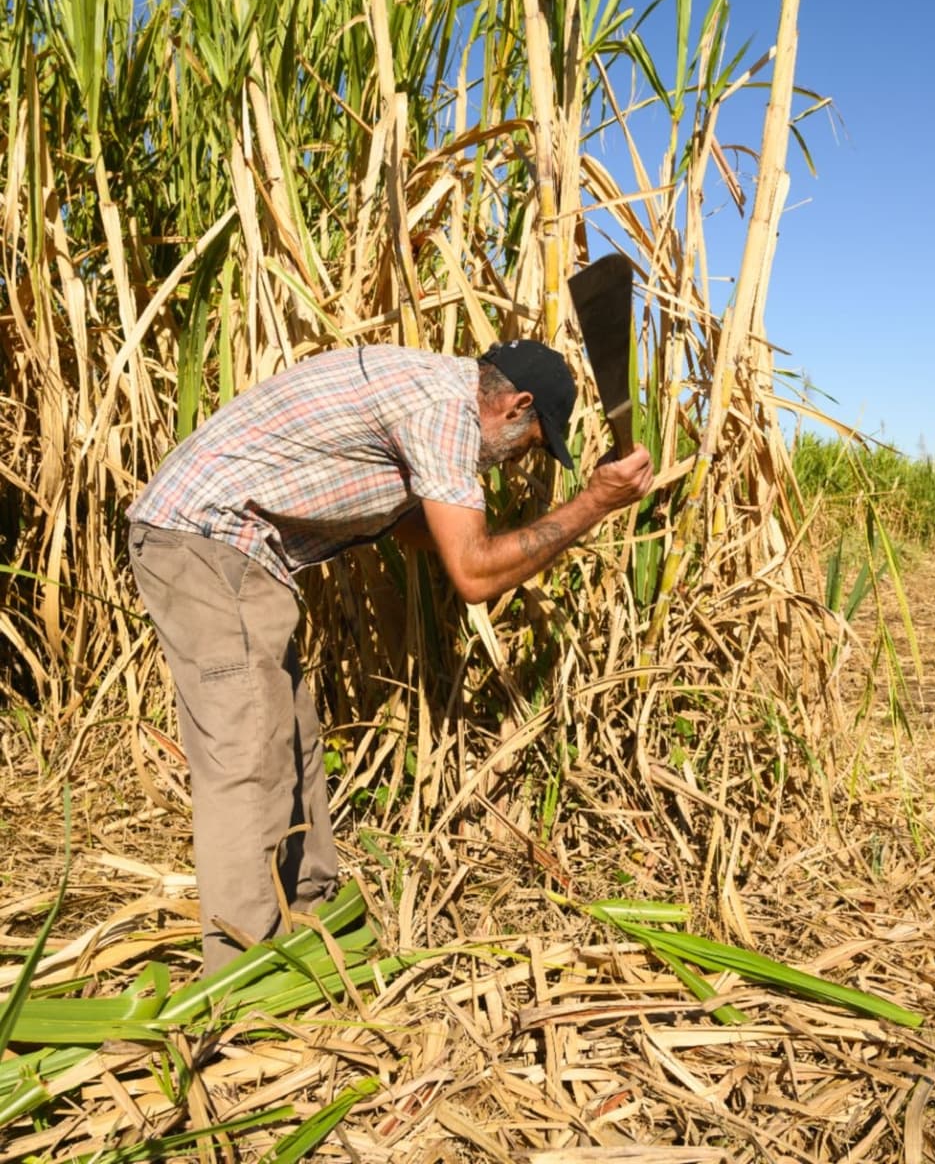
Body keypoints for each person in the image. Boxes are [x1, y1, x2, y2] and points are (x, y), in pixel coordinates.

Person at [127, 339, 654, 972]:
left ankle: (313, 919)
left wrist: (512, 536)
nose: (518, 464)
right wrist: (594, 503)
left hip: (244, 552)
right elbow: (475, 577)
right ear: (514, 406)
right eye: (534, 443)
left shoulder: (431, 397)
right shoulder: (442, 410)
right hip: (206, 539)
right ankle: (239, 971)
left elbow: (416, 526)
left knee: (292, 740)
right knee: (247, 753)